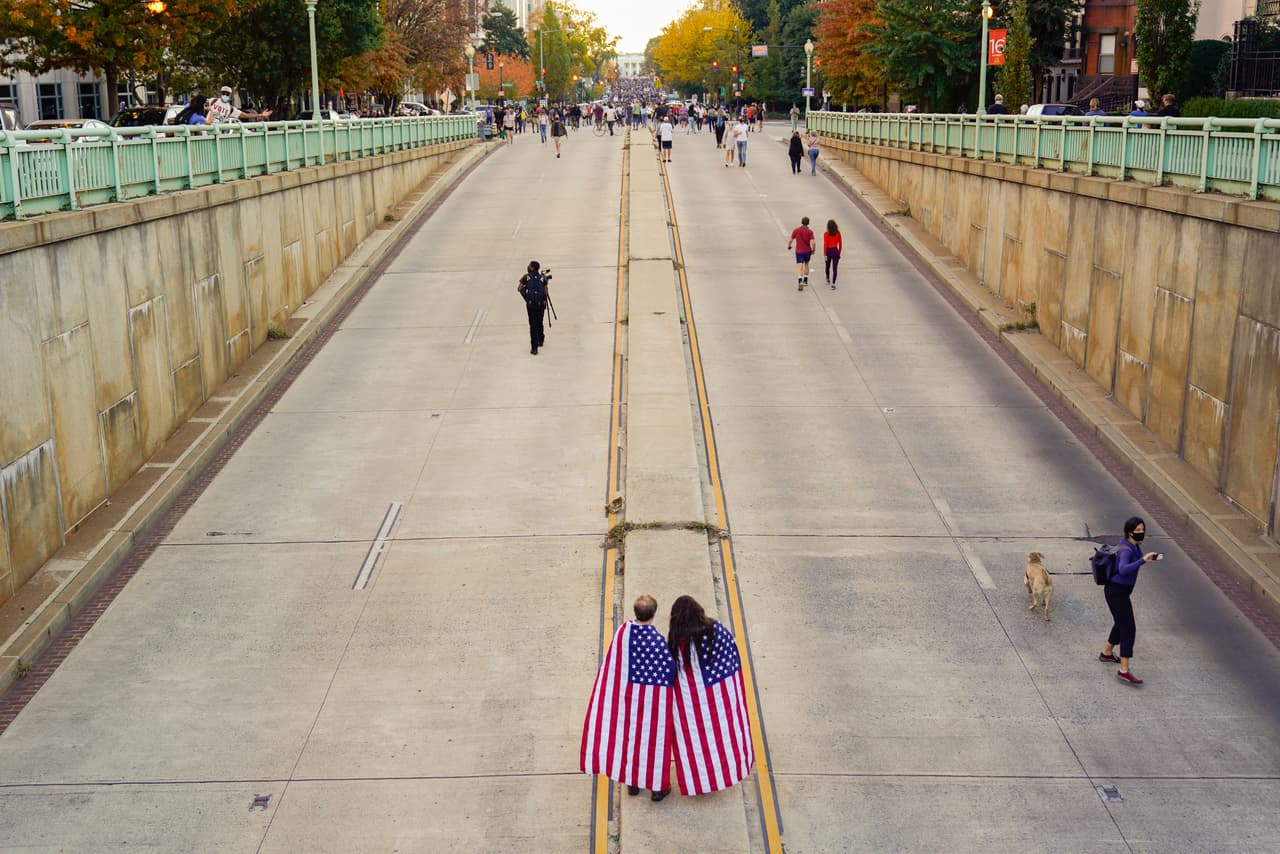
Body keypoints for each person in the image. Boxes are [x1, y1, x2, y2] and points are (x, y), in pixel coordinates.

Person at [581, 595, 675, 802]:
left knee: (630, 739)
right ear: (654, 614)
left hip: (628, 699)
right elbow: (669, 668)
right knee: (653, 741)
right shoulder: (657, 640)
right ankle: (657, 787)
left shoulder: (623, 632)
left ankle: (632, 783)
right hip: (651, 701)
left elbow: (614, 661)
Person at [666, 596, 754, 796]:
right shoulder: (717, 629)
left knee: (695, 740)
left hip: (691, 700)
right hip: (717, 692)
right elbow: (731, 656)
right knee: (722, 733)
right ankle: (723, 772)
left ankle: (701, 779)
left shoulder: (676, 639)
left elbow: (674, 668)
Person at [1100, 516, 1160, 685]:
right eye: (1138, 530)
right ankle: (1124, 670)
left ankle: (1106, 653)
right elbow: (1123, 569)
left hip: (1122, 591)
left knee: (1120, 622)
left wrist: (1146, 558)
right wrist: (1142, 560)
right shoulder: (1126, 549)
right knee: (1129, 629)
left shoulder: (1134, 545)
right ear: (1129, 531)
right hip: (1116, 591)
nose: (1141, 533)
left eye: (1143, 530)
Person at [517, 260, 551, 355]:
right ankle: (541, 339)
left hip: (531, 305)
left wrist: (526, 296)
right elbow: (546, 292)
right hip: (541, 304)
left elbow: (519, 288)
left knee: (533, 325)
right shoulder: (542, 278)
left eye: (529, 265)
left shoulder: (526, 277)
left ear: (532, 268)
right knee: (539, 322)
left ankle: (534, 348)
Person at [206, 85, 272, 125]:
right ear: (221, 93)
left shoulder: (230, 109)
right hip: (206, 128)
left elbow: (245, 115)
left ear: (230, 95)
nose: (225, 95)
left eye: (227, 94)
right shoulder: (213, 101)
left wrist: (260, 115)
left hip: (217, 132)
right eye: (224, 93)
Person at [788, 215, 816, 290]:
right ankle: (805, 280)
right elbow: (813, 242)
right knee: (806, 264)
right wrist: (813, 250)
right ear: (808, 223)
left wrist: (789, 246)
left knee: (799, 266)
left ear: (801, 222)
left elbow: (791, 240)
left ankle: (800, 280)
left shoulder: (796, 230)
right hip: (807, 251)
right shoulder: (810, 232)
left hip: (799, 251)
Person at [823, 219, 842, 288]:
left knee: (827, 266)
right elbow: (840, 245)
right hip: (835, 251)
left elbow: (825, 244)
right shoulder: (838, 233)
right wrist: (839, 253)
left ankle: (828, 278)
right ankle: (833, 283)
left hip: (828, 251)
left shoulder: (826, 234)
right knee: (835, 268)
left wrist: (825, 254)